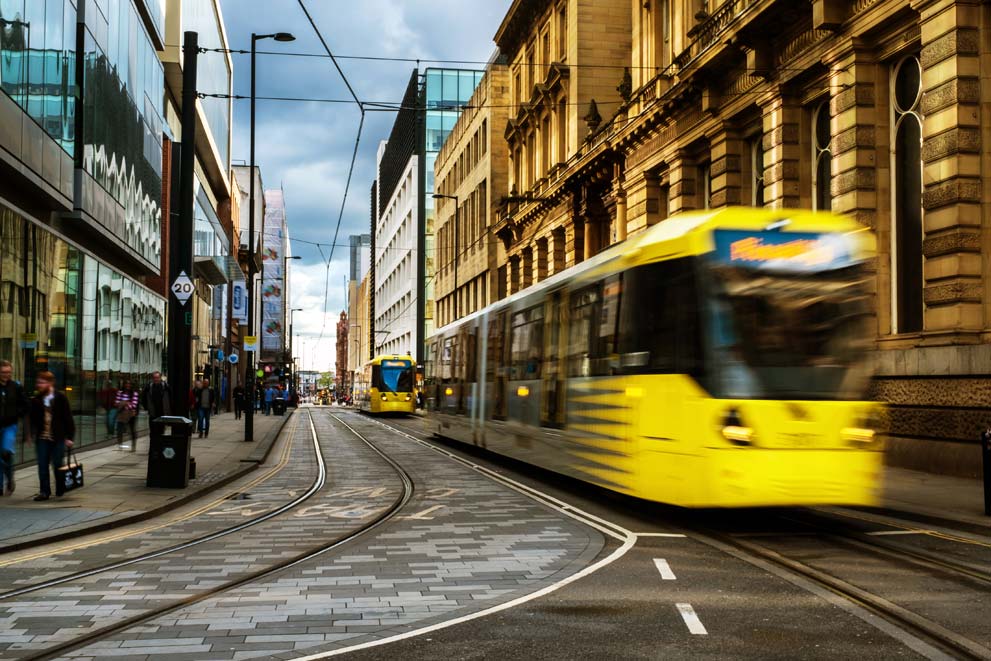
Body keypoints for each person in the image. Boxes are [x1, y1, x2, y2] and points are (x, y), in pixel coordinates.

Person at [28, 371, 75, 501]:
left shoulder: (60, 397)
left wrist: (70, 437)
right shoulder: (37, 399)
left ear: (50, 383)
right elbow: (33, 419)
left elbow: (68, 419)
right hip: (42, 438)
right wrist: (30, 434)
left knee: (58, 464)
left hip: (58, 438)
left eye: (42, 382)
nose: (39, 385)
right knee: (42, 465)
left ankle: (60, 487)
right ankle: (44, 491)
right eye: (38, 382)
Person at [0, 360, 29, 497]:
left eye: (8, 372)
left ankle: (10, 479)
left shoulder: (16, 387)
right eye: (3, 372)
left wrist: (16, 414)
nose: (6, 375)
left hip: (10, 425)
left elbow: (25, 404)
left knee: (5, 452)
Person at [141, 371, 171, 438]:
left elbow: (170, 398)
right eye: (154, 377)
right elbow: (143, 397)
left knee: (161, 431)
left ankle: (159, 446)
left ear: (160, 378)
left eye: (157, 377)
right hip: (153, 413)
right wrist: (146, 407)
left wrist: (168, 410)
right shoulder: (149, 387)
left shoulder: (166, 386)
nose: (156, 379)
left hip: (162, 412)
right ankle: (153, 446)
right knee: (152, 431)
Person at [114, 379, 139, 451]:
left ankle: (133, 446)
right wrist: (126, 403)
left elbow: (134, 405)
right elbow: (116, 403)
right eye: (126, 384)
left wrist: (123, 403)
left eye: (129, 384)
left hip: (131, 415)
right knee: (119, 431)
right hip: (121, 414)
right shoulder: (120, 393)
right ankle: (120, 445)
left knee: (132, 430)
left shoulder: (134, 393)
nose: (128, 385)